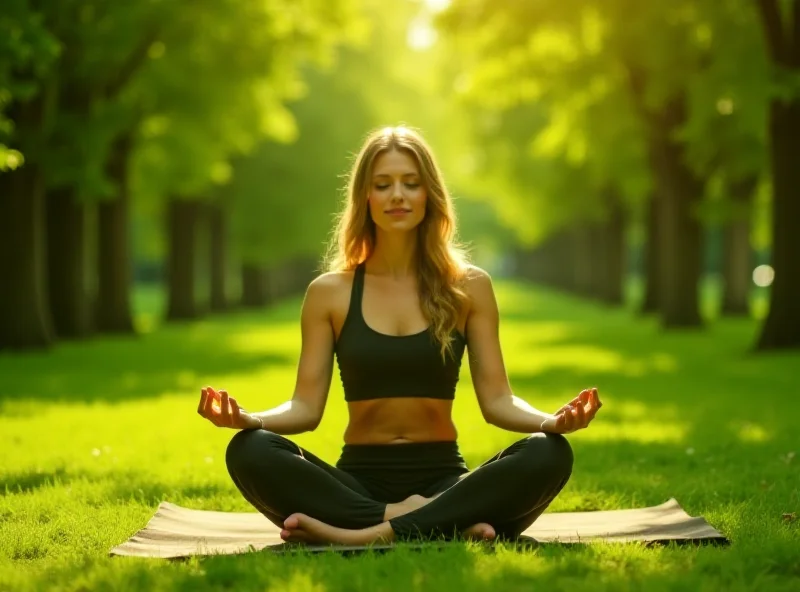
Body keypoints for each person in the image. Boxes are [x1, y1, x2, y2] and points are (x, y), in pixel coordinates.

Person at [197, 126, 602, 546]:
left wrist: (550, 422)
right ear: (364, 198)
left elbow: (498, 401)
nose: (397, 195)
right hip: (356, 484)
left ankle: (361, 535)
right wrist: (251, 420)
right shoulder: (329, 293)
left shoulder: (469, 287)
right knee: (250, 449)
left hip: (445, 480)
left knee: (549, 451)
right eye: (383, 185)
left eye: (411, 184)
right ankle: (435, 524)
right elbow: (305, 408)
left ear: (430, 196)